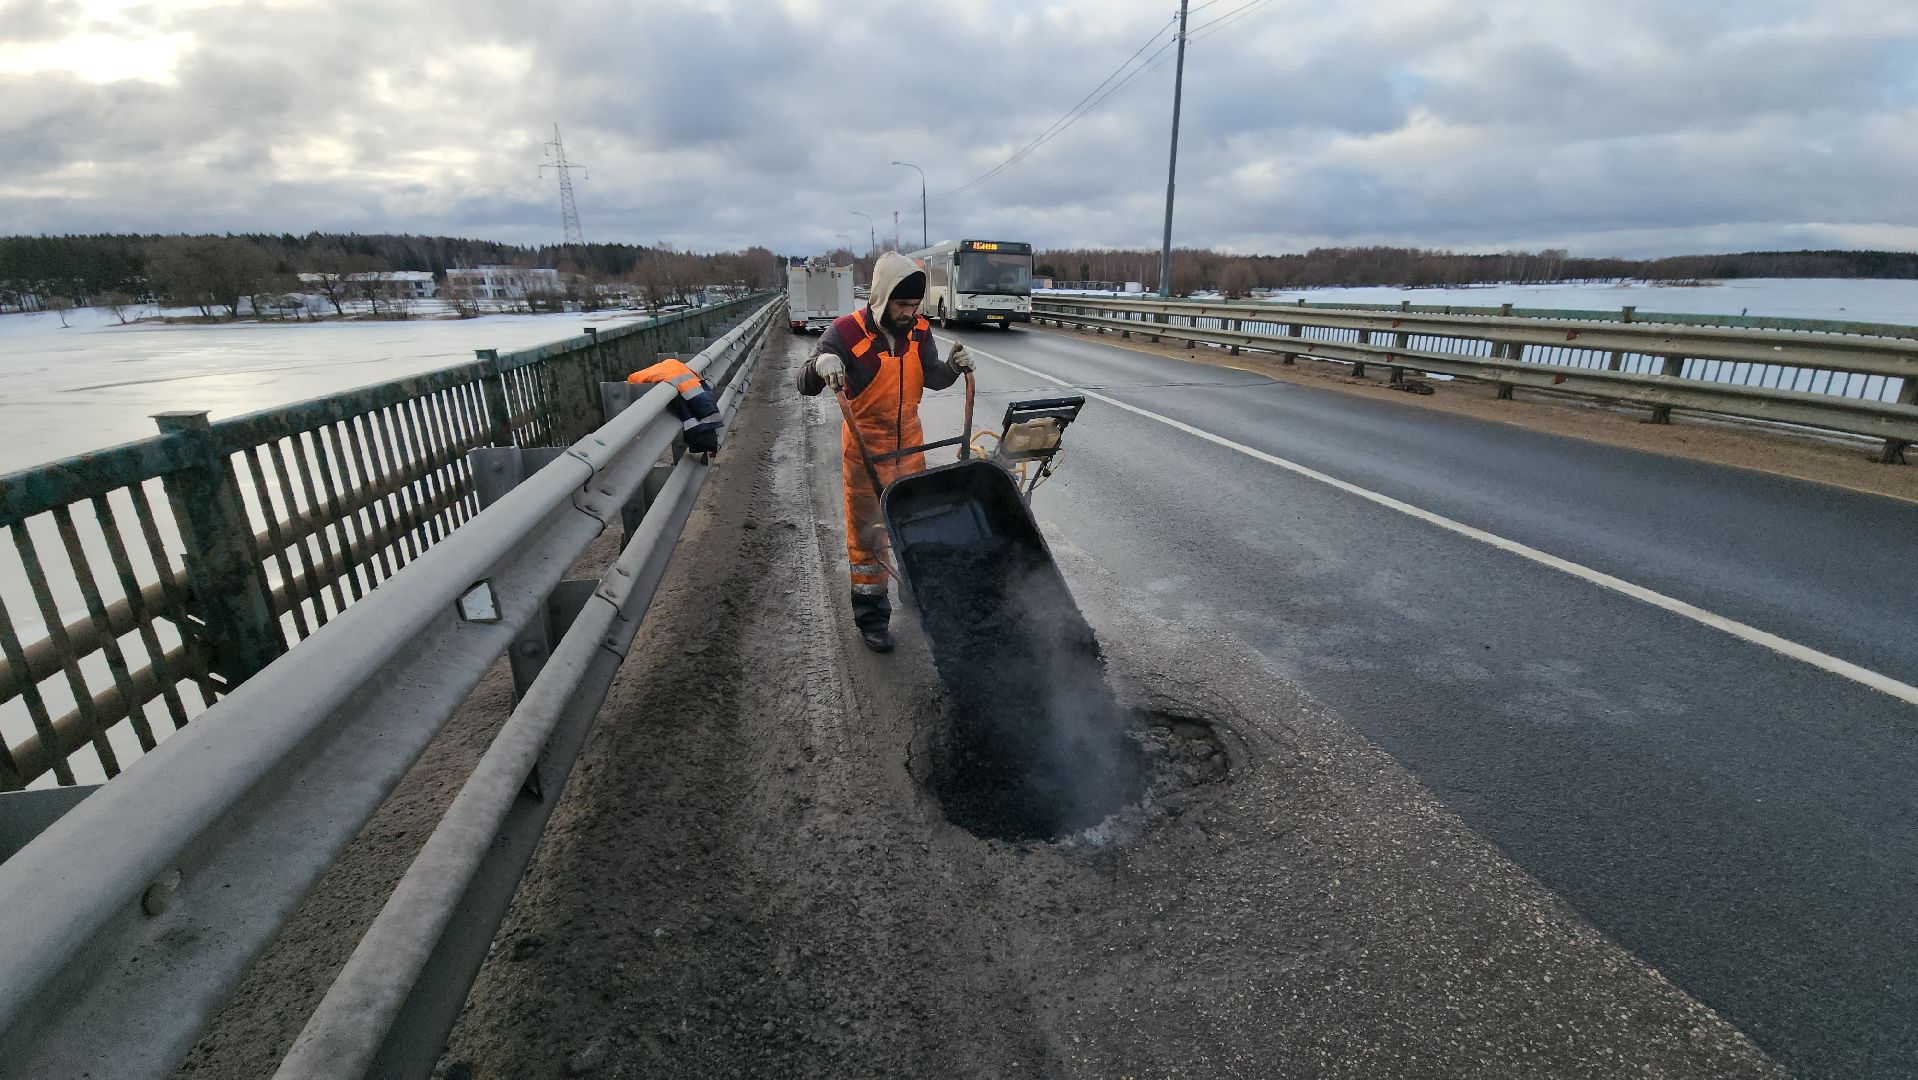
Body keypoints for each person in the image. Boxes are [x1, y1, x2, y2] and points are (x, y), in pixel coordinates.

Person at [797, 251, 975, 653]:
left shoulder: (919, 331)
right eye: (902, 305)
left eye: (914, 305)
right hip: (865, 456)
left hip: (911, 449)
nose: (909, 313)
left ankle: (916, 592)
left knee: (916, 527)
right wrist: (820, 364)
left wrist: (953, 367)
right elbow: (803, 383)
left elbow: (932, 376)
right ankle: (873, 620)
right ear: (880, 297)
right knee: (868, 542)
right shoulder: (844, 334)